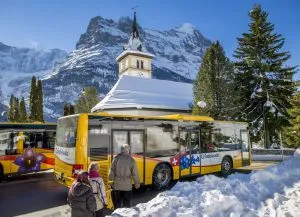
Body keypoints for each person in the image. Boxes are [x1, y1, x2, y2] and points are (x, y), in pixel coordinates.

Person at [109, 144, 140, 209]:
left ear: (121, 150)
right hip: (127, 185)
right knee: (126, 203)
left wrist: (111, 178)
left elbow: (112, 170)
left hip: (117, 185)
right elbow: (135, 173)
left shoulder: (116, 158)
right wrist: (137, 183)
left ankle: (117, 215)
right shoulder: (131, 160)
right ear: (128, 150)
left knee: (117, 202)